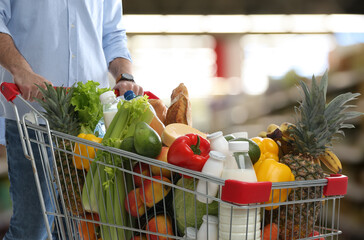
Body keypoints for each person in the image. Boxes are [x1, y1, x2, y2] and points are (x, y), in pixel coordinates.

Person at [0, 1, 143, 239]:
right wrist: (21, 70)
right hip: (32, 116)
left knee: (75, 231)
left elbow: (112, 32)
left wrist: (124, 75)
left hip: (87, 126)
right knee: (32, 230)